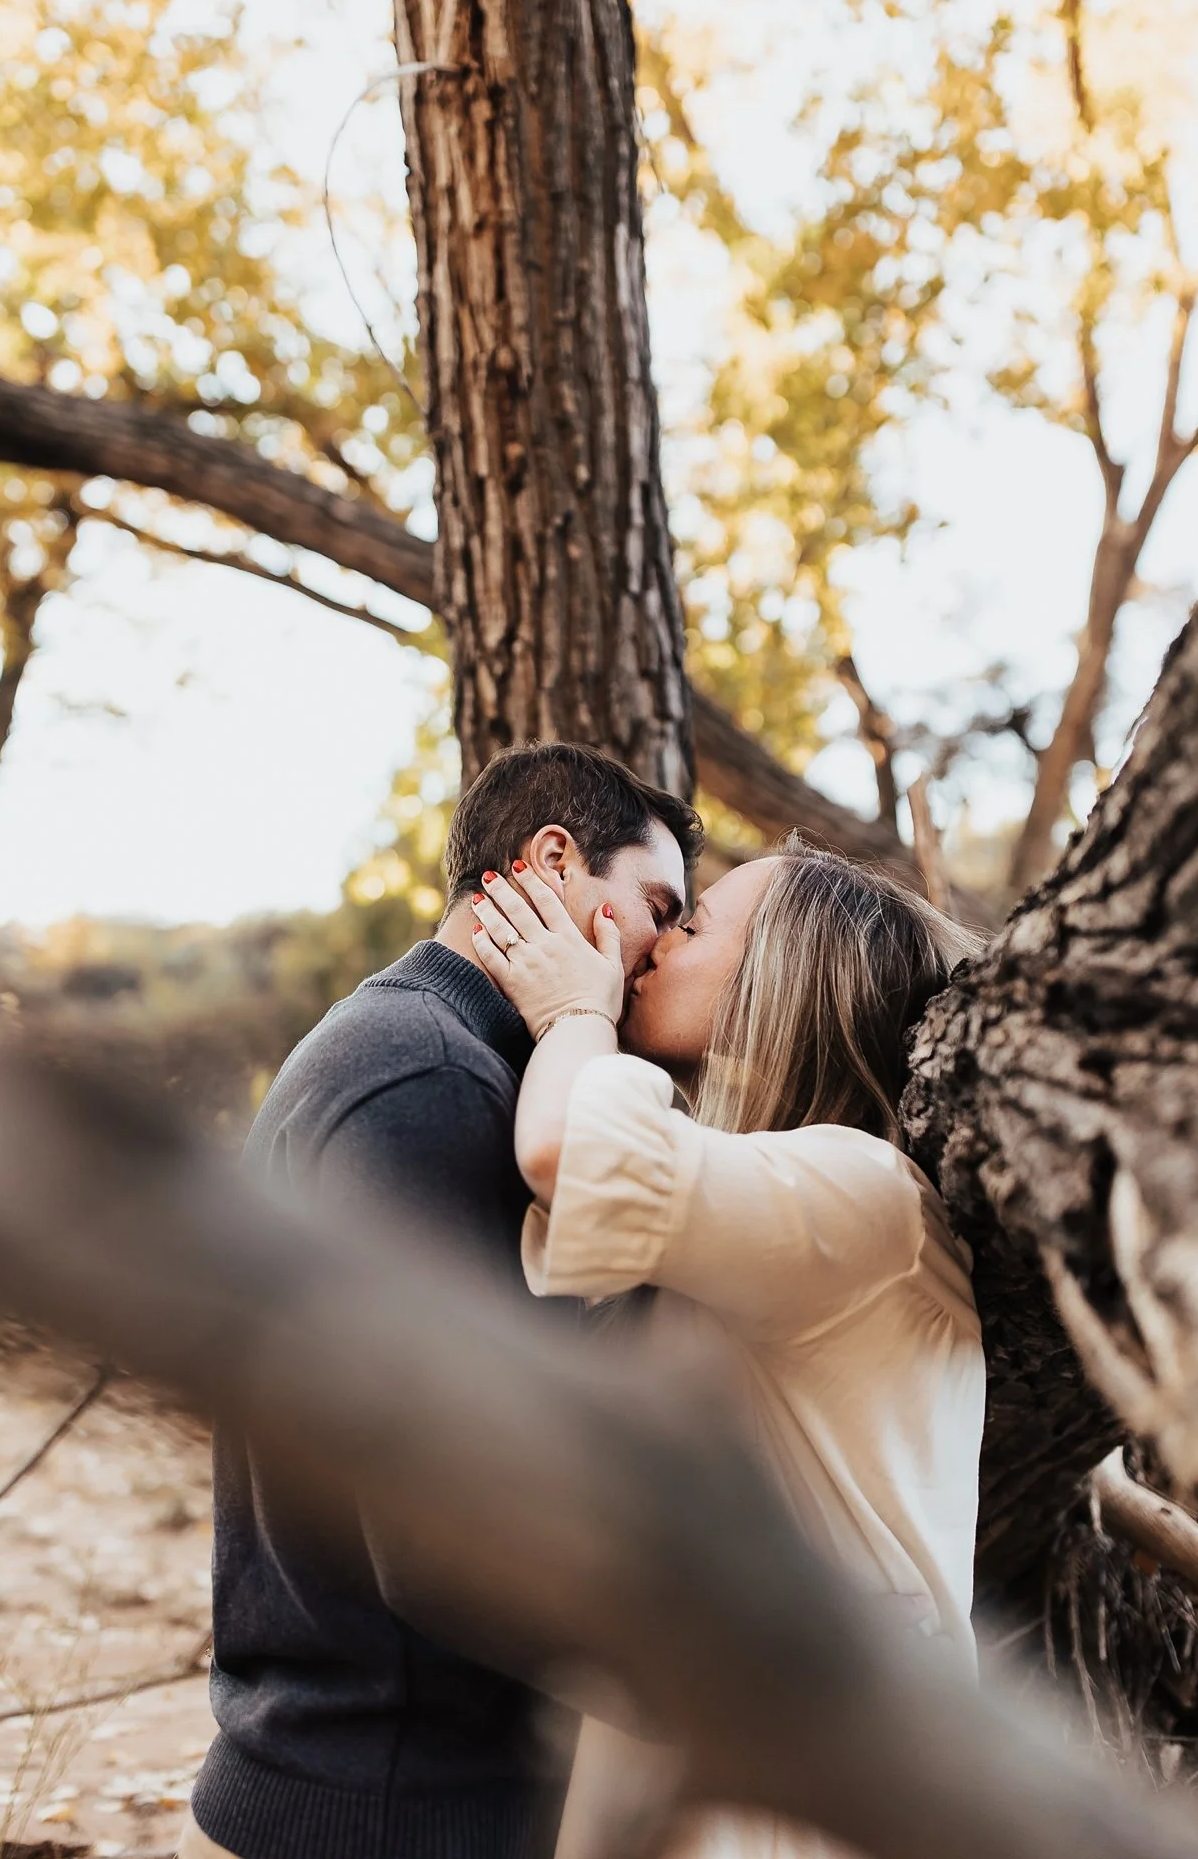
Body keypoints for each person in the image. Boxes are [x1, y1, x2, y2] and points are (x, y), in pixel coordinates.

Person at [183, 743, 703, 1859]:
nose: (668, 946)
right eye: (659, 905)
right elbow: (445, 1523)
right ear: (553, 859)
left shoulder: (420, 1047)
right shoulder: (431, 1077)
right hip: (381, 1802)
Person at [469, 836, 987, 1859]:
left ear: (783, 981)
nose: (653, 944)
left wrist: (575, 1013)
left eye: (696, 925)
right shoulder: (769, 1192)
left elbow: (565, 1151)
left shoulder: (866, 1198)